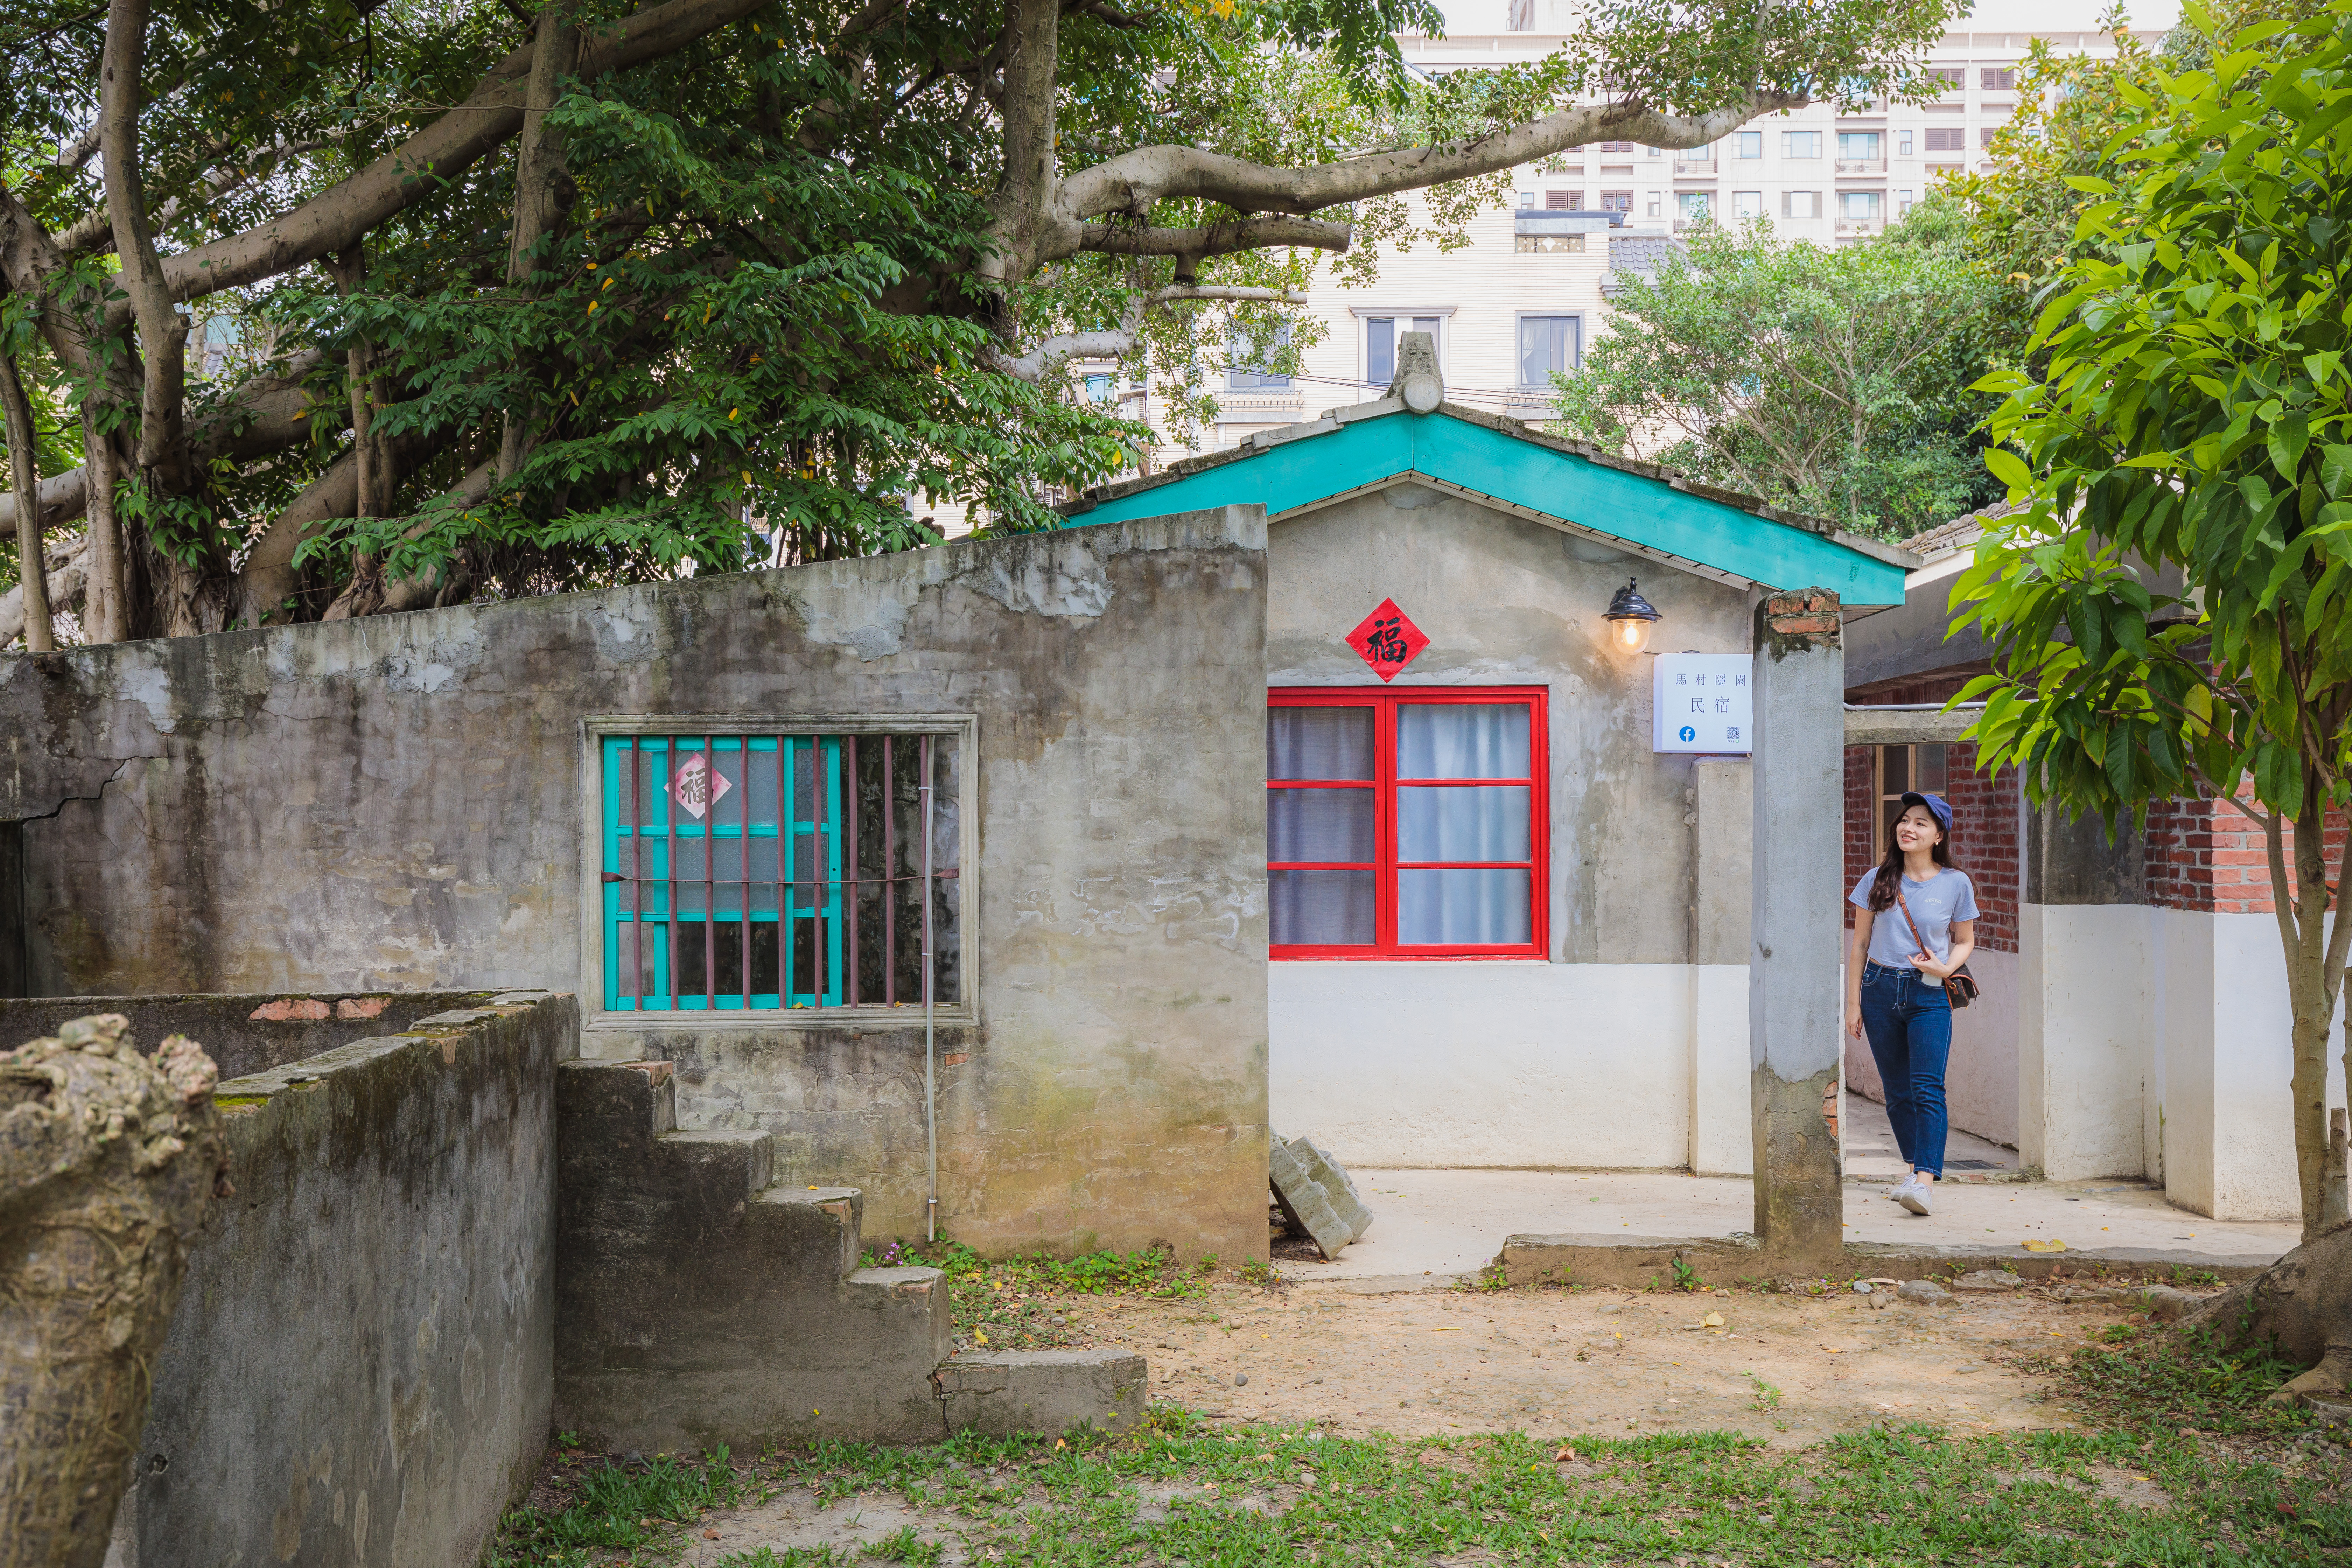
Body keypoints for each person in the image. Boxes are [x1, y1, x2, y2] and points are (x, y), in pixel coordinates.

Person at [1844, 791, 1977, 1217]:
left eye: (1921, 823)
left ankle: (1924, 1181)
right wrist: (1853, 1003)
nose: (1908, 827)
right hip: (1879, 988)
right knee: (1898, 1091)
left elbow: (1966, 939)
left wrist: (1945, 967)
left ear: (1939, 836)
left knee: (1927, 1086)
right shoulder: (1877, 879)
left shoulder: (1956, 883)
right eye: (1905, 820)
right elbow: (1860, 944)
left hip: (1930, 992)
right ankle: (1912, 1169)